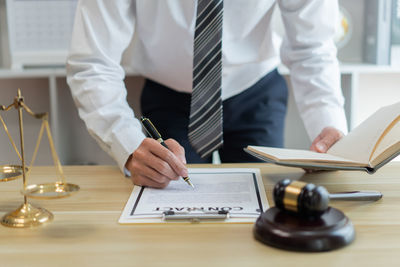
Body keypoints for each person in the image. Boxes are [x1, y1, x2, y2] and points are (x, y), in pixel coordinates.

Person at [67, 0, 348, 189]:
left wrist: (328, 126)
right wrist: (127, 144)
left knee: (264, 207)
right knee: (170, 212)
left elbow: (313, 48)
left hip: (255, 93)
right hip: (168, 99)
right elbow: (93, 63)